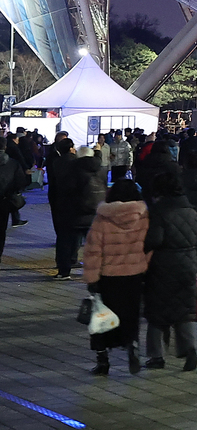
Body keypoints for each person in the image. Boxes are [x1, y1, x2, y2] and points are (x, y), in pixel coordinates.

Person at [83, 180, 149, 376]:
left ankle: (103, 360)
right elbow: (149, 246)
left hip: (108, 277)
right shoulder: (144, 216)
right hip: (134, 275)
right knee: (130, 314)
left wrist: (92, 278)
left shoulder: (103, 218)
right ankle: (133, 345)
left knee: (101, 318)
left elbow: (93, 250)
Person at [142, 171, 197, 372]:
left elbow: (155, 240)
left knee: (157, 313)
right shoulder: (191, 210)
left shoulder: (159, 211)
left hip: (163, 265)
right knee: (184, 311)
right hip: (187, 264)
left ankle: (157, 356)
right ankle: (190, 349)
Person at [48, 139, 96, 280]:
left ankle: (64, 269)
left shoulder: (56, 162)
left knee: (65, 238)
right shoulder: (77, 165)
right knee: (86, 239)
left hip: (64, 206)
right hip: (86, 208)